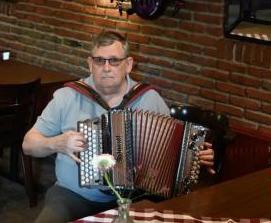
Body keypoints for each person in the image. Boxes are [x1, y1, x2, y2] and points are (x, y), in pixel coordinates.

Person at [22, 31, 215, 223]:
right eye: (99, 61)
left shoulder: (149, 98)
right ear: (90, 64)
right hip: (73, 196)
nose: (106, 68)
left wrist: (193, 158)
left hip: (136, 197)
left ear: (128, 64)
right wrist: (56, 143)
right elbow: (28, 144)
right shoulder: (67, 96)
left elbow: (172, 148)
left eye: (114, 60)